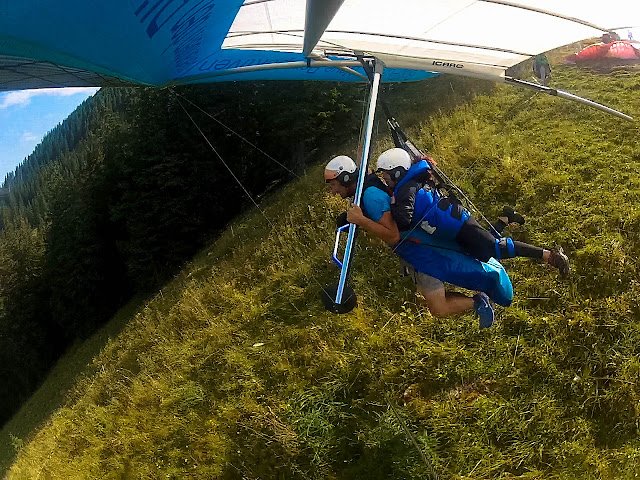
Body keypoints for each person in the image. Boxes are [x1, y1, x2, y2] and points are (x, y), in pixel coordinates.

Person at [324, 155, 496, 327]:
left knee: (439, 308)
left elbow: (393, 235)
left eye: (333, 185)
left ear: (346, 179)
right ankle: (479, 298)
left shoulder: (370, 196)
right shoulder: (365, 184)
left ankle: (480, 301)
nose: (333, 191)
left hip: (418, 250)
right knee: (426, 296)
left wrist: (361, 221)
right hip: (414, 249)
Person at [375, 147, 569, 275]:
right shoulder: (410, 183)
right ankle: (505, 217)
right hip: (455, 224)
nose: (384, 178)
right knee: (482, 252)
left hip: (458, 225)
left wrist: (389, 206)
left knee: (495, 248)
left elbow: (404, 219)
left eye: (385, 173)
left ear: (396, 171)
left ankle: (550, 256)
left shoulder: (405, 189)